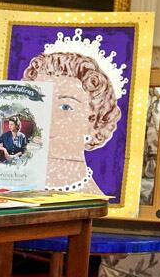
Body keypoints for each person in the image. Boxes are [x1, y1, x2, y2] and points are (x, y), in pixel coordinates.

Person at [23, 50, 121, 193]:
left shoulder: (91, 200)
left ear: (94, 121)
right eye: (39, 103)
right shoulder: (6, 185)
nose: (46, 117)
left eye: (65, 107)